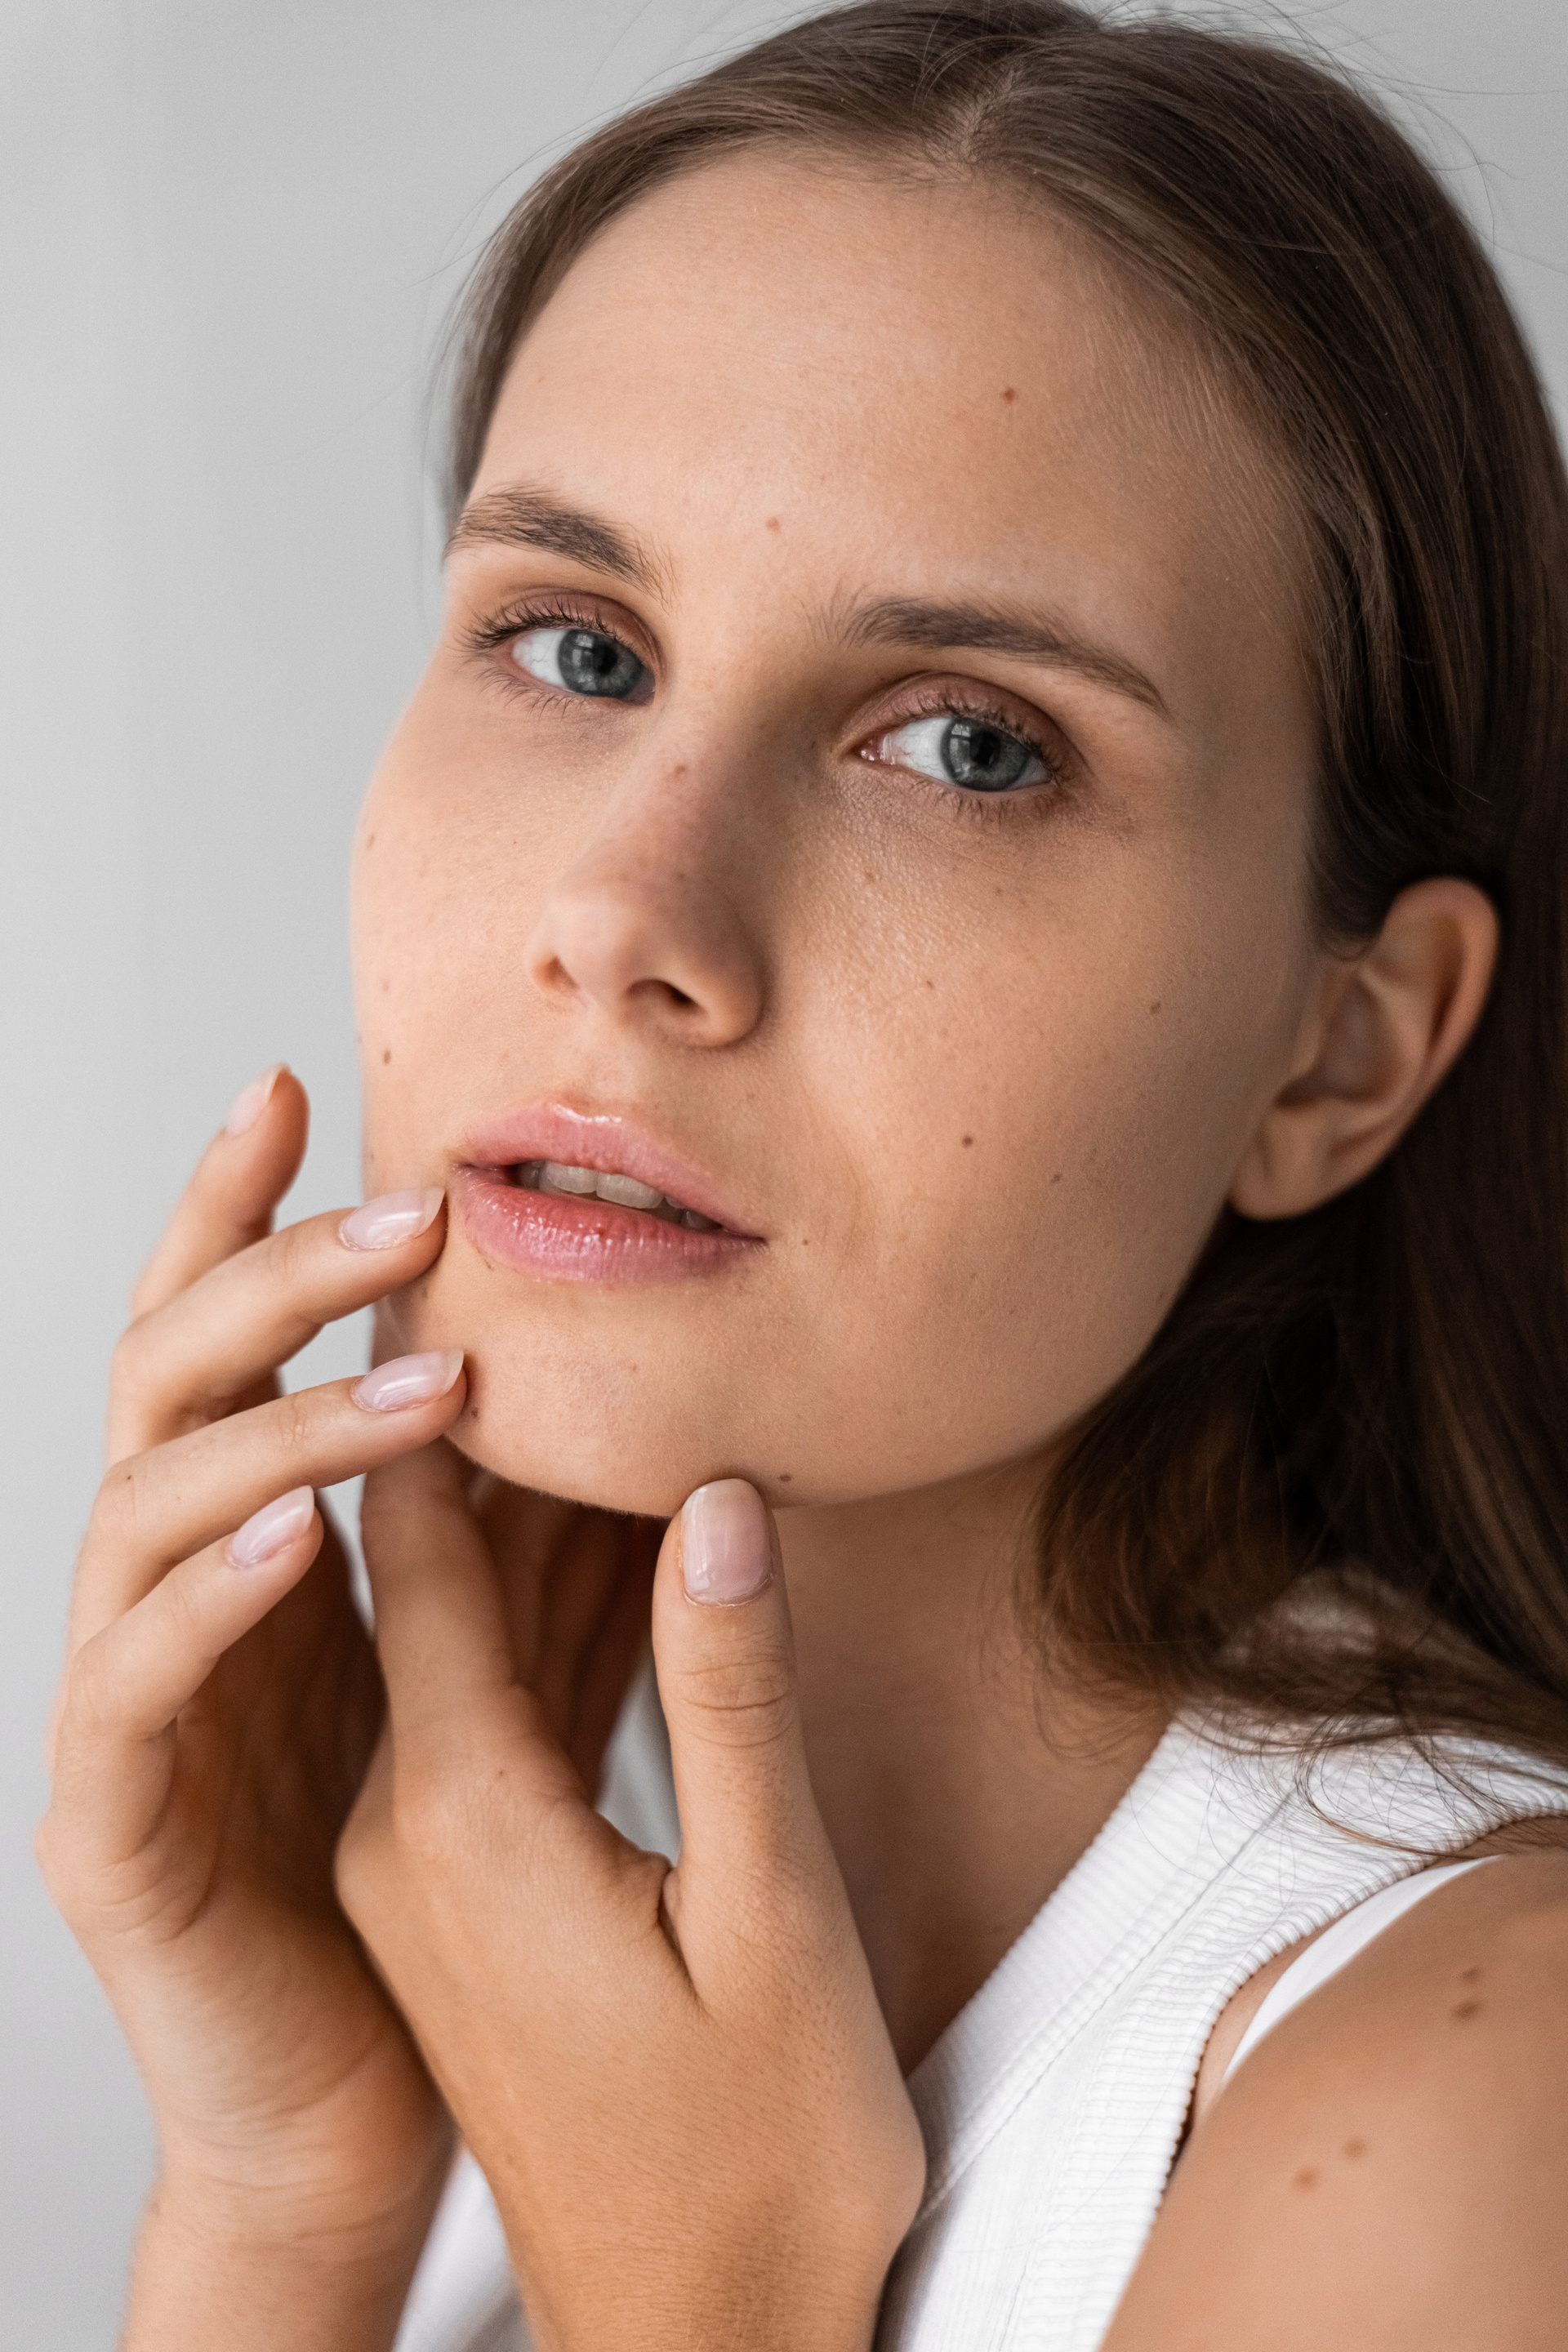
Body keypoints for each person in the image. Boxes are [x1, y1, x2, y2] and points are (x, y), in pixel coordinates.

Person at [37, 4, 1568, 2346]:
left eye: (969, 748)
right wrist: (289, 2206)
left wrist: (699, 2305)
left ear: (1339, 1054)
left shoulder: (1477, 2118)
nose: (625, 915)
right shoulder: (551, 1992)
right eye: (577, 647)